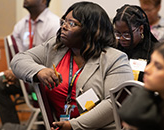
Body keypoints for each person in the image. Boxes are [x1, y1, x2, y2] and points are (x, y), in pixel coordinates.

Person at [10, 1, 134, 130]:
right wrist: (39, 71)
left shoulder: (115, 59)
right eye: (64, 21)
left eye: (72, 24)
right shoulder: (56, 48)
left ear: (91, 30)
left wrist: (73, 125)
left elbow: (114, 104)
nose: (64, 27)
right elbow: (18, 60)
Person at [0, 0, 59, 126]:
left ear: (43, 1)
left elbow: (53, 60)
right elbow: (17, 56)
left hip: (43, 78)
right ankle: (12, 127)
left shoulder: (54, 24)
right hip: (23, 78)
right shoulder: (21, 25)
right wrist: (14, 71)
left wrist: (25, 72)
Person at [113, 4, 158, 81]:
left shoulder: (155, 52)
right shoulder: (114, 50)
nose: (121, 38)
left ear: (140, 29)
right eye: (118, 33)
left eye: (126, 34)